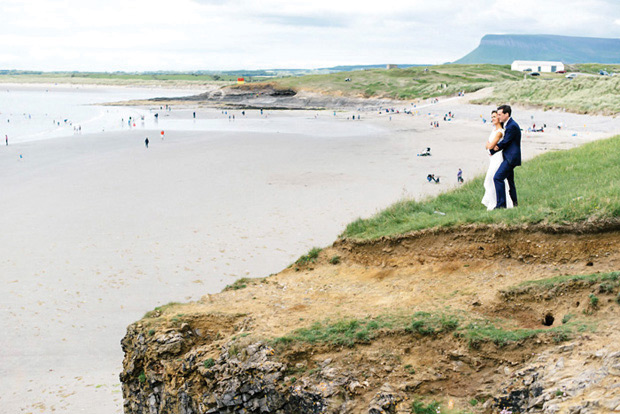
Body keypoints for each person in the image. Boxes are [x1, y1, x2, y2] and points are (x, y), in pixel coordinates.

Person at [481, 110, 514, 210]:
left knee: (491, 180)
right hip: (492, 159)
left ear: (499, 119)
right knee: (491, 181)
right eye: (492, 117)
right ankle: (495, 202)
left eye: (494, 117)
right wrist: (488, 146)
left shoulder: (500, 132)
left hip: (497, 158)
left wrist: (489, 146)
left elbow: (490, 145)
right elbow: (487, 145)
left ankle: (502, 204)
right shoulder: (494, 131)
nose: (492, 119)